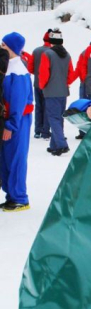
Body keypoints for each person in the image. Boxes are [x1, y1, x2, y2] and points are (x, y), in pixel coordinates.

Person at [1, 32, 33, 212]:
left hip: (17, 121)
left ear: (12, 48)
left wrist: (11, 125)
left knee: (16, 158)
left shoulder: (18, 71)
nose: (1, 47)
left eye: (4, 45)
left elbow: (18, 102)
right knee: (6, 158)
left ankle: (20, 197)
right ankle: (11, 195)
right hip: (9, 119)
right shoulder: (7, 66)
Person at [38, 28, 77, 156]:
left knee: (53, 118)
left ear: (51, 41)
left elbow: (43, 74)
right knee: (59, 118)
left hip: (51, 91)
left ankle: (61, 144)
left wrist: (42, 86)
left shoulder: (47, 54)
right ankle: (54, 145)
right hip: (63, 91)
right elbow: (71, 74)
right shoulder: (67, 55)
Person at [28, 29, 51, 140]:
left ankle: (37, 130)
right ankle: (45, 130)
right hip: (49, 85)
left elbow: (30, 68)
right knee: (47, 107)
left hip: (37, 83)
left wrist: (37, 74)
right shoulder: (53, 52)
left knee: (38, 106)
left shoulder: (36, 51)